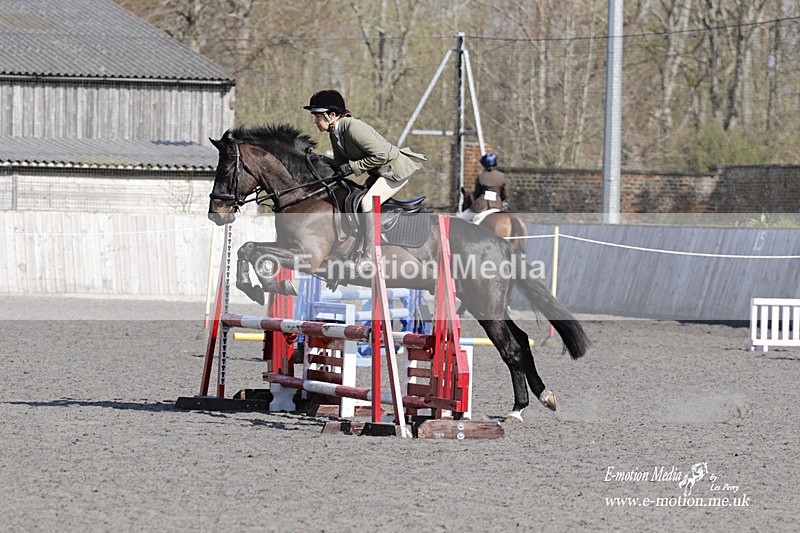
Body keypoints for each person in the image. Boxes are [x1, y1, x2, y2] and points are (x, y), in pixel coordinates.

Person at [304, 89, 426, 272]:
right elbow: (340, 163)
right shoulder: (335, 133)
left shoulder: (353, 127)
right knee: (353, 197)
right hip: (379, 172)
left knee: (368, 202)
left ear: (331, 115)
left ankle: (369, 255)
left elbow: (382, 154)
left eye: (317, 116)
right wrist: (317, 159)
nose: (315, 121)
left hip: (395, 170)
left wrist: (354, 168)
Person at [460, 153, 508, 222]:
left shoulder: (481, 177)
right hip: (497, 205)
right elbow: (505, 195)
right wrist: (499, 199)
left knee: (462, 218)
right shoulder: (502, 176)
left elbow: (476, 194)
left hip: (481, 205)